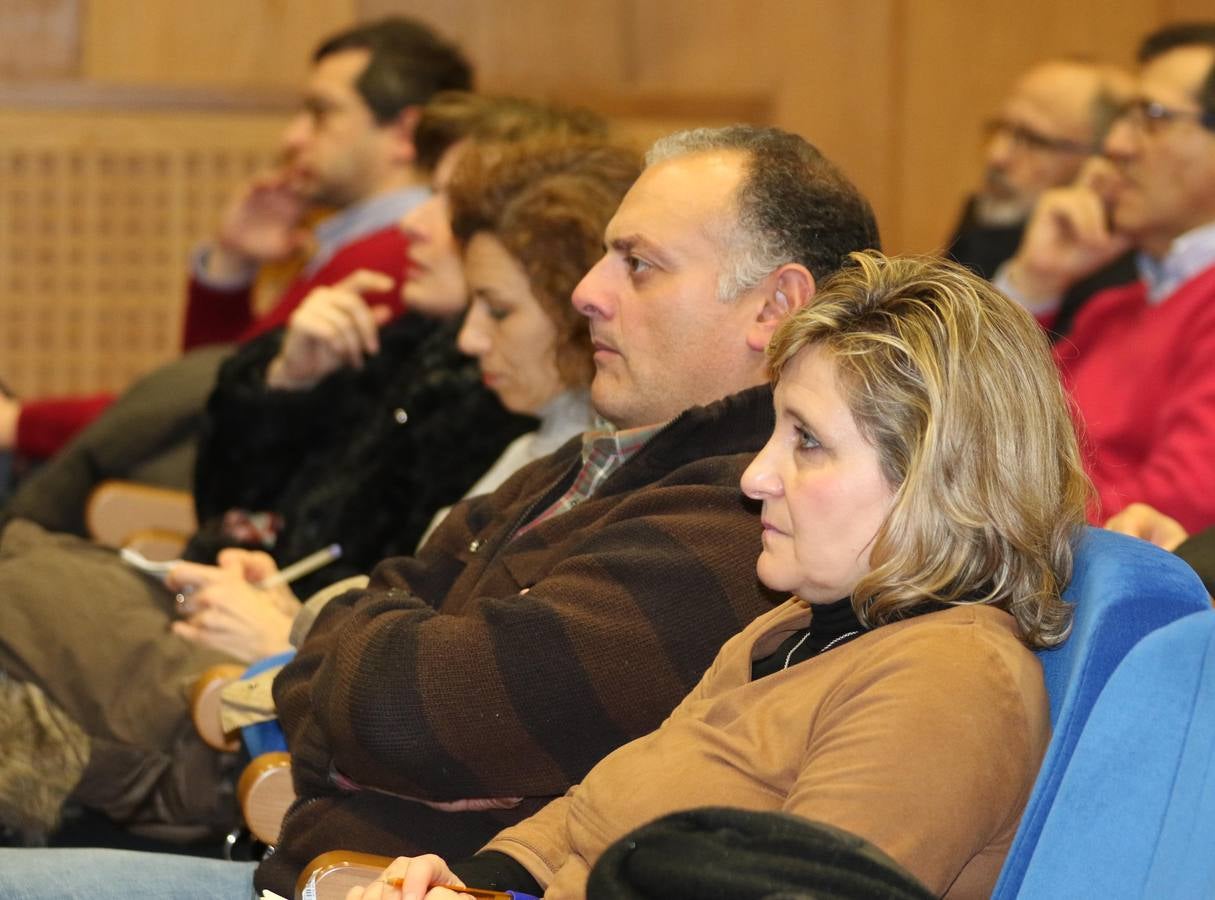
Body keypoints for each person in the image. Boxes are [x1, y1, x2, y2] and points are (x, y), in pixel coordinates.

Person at [0, 124, 881, 899]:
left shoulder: (742, 514)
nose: (585, 291)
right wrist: (366, 666)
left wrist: (358, 672)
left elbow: (412, 713)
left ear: (774, 306)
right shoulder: (600, 459)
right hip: (304, 855)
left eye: (638, 265)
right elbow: (385, 607)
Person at [348, 250, 1089, 900]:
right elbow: (587, 813)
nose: (756, 477)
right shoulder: (792, 625)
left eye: (807, 442)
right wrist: (468, 883)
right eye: (774, 431)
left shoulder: (946, 680)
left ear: (938, 481)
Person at [0, 96, 601, 845]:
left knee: (13, 575)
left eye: (444, 203)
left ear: (567, 296)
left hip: (272, 723)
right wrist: (282, 388)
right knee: (23, 558)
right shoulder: (474, 383)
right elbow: (265, 500)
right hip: (280, 657)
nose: (414, 223)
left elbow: (446, 671)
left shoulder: (527, 425)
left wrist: (293, 626)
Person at [0, 16, 472, 535]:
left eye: (320, 114)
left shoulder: (393, 259)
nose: (292, 136)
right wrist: (231, 268)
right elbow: (217, 385)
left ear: (404, 132)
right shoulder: (363, 245)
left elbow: (196, 411)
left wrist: (22, 425)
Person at [996, 22, 1215, 533]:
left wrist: (985, 520)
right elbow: (974, 426)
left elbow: (1172, 512)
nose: (1115, 146)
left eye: (1152, 118)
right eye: (1123, 119)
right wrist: (1035, 281)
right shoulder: (1111, 310)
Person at [945, 58, 1137, 336]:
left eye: (1033, 139)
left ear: (1101, 160)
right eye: (1001, 128)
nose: (997, 156)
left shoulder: (1119, 277)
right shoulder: (986, 219)